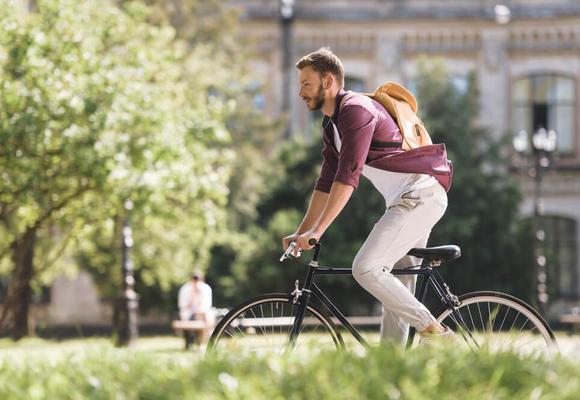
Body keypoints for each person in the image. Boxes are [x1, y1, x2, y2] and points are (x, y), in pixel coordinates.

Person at [282, 47, 454, 345]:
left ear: (328, 82)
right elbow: (325, 183)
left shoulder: (356, 110)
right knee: (395, 289)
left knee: (366, 268)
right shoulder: (332, 125)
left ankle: (436, 333)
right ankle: (391, 370)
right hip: (411, 200)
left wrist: (318, 231)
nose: (300, 92)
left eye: (306, 84)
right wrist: (303, 231)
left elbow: (348, 175)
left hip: (418, 196)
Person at [178, 270, 214, 346]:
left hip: (202, 314)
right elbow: (183, 305)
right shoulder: (185, 289)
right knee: (203, 318)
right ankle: (204, 342)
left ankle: (204, 341)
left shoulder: (205, 288)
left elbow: (207, 305)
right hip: (189, 314)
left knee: (206, 316)